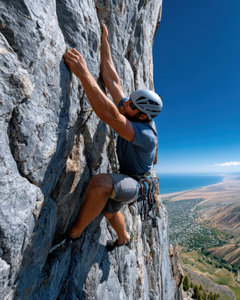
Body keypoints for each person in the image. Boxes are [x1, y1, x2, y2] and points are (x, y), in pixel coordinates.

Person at [59, 23, 162, 252]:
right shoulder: (133, 110)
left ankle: (72, 235)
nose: (126, 102)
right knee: (108, 209)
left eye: (132, 104)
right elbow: (113, 80)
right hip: (129, 175)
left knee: (101, 184)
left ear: (142, 115)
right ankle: (124, 237)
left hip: (137, 183)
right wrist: (104, 40)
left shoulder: (145, 134)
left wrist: (83, 74)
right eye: (130, 99)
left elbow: (110, 116)